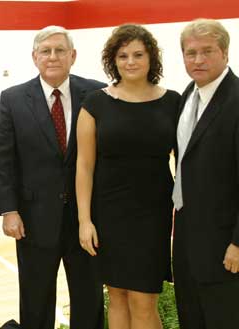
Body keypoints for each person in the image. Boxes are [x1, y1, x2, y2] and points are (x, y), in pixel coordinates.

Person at [0, 25, 105, 329]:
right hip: (33, 217)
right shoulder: (13, 99)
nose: (52, 57)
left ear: (73, 56)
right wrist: (9, 210)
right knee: (36, 297)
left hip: (86, 218)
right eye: (46, 51)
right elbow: (3, 159)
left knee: (89, 296)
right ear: (34, 57)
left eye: (59, 50)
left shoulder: (97, 93)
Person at [75, 24, 179, 329]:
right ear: (113, 60)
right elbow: (84, 165)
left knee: (143, 300)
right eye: (123, 55)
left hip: (152, 213)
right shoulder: (95, 103)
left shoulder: (173, 101)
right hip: (108, 212)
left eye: (138, 54)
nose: (130, 61)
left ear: (151, 58)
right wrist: (84, 220)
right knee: (117, 295)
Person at [172, 19, 239, 329]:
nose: (198, 60)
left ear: (225, 53)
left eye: (207, 51)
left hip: (228, 244)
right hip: (189, 241)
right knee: (193, 319)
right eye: (191, 53)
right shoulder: (188, 95)